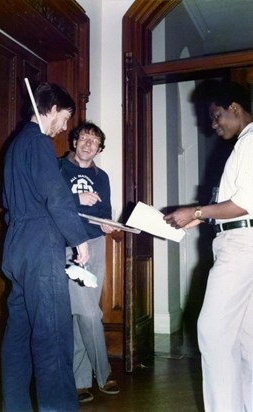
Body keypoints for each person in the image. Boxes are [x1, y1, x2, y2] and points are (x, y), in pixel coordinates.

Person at [164, 80, 253, 412]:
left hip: (241, 247)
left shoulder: (250, 143)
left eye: (216, 117)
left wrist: (196, 211)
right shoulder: (244, 144)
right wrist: (197, 219)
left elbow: (244, 204)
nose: (213, 125)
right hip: (246, 241)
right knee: (245, 340)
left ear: (234, 108)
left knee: (212, 332)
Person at [1, 82, 90, 412]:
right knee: (53, 337)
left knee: (18, 338)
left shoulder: (14, 145)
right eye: (64, 117)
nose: (65, 127)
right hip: (40, 245)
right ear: (50, 109)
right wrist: (79, 239)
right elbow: (55, 194)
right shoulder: (39, 142)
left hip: (15, 246)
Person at [59, 121, 120, 403]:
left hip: (96, 244)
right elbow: (46, 201)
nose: (88, 144)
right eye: (84, 138)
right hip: (68, 246)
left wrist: (108, 225)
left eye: (94, 141)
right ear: (74, 141)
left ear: (99, 148)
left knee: (83, 314)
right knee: (89, 314)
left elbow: (104, 211)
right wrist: (76, 197)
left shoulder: (102, 176)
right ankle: (103, 372)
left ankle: (79, 381)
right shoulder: (58, 168)